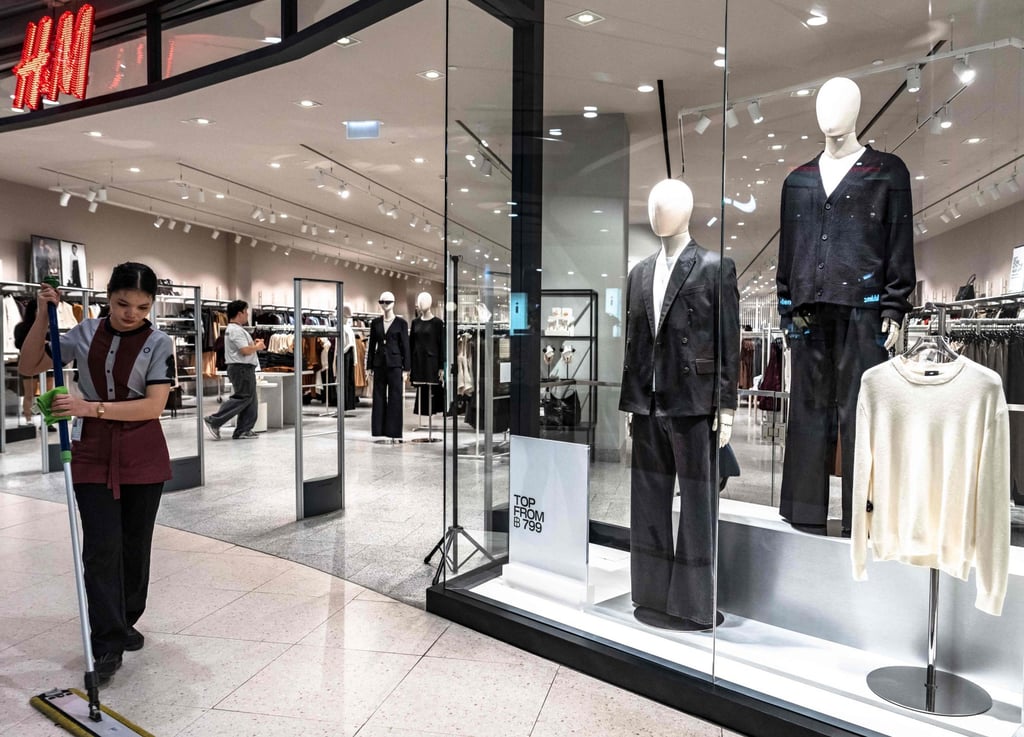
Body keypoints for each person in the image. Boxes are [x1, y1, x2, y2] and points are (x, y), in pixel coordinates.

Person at [18, 262, 175, 684]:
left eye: (142, 307)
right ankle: (106, 641)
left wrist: (89, 407)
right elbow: (29, 365)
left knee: (134, 548)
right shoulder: (84, 332)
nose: (131, 314)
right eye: (123, 304)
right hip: (91, 452)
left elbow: (153, 406)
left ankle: (125, 619)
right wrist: (41, 314)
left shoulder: (159, 343)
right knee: (101, 548)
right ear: (108, 297)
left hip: (142, 454)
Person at [619, 178, 739, 630]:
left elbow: (728, 340)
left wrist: (726, 406)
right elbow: (635, 342)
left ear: (687, 210)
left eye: (666, 204)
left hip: (694, 403)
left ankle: (693, 603)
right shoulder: (638, 273)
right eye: (652, 203)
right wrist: (632, 402)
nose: (657, 211)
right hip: (647, 403)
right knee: (647, 501)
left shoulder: (715, 267)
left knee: (697, 506)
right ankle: (651, 594)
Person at [204, 299, 264, 440]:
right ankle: (215, 420)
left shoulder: (236, 330)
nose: (247, 314)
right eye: (246, 311)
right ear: (239, 313)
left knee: (250, 399)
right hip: (241, 368)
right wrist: (257, 347)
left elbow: (243, 348)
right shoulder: (235, 330)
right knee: (243, 397)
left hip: (244, 368)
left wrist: (253, 345)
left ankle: (243, 429)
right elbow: (244, 350)